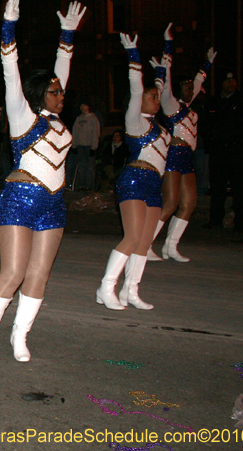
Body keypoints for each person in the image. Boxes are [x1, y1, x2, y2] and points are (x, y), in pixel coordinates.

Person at [0, 0, 84, 369]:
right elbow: (10, 70)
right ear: (41, 94)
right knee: (14, 272)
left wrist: (67, 37)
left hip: (53, 202)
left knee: (39, 274)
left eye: (61, 90)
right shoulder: (23, 115)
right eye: (55, 91)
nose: (61, 94)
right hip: (20, 198)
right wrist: (8, 27)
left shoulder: (57, 119)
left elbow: (62, 72)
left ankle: (19, 333)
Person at [95, 32, 171, 312]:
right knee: (132, 236)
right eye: (152, 96)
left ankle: (131, 290)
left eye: (156, 96)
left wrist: (165, 62)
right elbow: (138, 89)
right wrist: (133, 56)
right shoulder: (136, 122)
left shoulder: (162, 128)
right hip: (134, 180)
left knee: (145, 240)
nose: (156, 99)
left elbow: (163, 88)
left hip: (154, 183)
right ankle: (106, 286)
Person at [147, 34, 216, 261]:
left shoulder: (189, 106)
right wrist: (168, 47)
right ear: (178, 90)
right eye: (185, 87)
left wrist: (207, 64)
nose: (190, 89)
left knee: (189, 204)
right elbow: (166, 82)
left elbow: (199, 81)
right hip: (173, 155)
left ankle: (170, 246)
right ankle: (146, 244)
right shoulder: (171, 105)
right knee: (170, 203)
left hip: (188, 156)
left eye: (191, 87)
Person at [202, 72, 243, 232]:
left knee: (240, 189)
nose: (231, 83)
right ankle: (215, 219)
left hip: (238, 151)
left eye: (233, 80)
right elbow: (205, 125)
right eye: (227, 80)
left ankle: (240, 222)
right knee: (218, 187)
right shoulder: (213, 102)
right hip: (219, 152)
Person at [70, 100, 100, 190]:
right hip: (80, 146)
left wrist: (94, 147)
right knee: (81, 166)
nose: (82, 107)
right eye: (81, 105)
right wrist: (74, 145)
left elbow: (95, 133)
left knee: (90, 167)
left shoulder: (93, 119)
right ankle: (81, 185)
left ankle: (90, 186)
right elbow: (75, 132)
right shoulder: (78, 119)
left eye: (84, 105)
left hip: (89, 146)